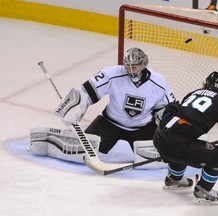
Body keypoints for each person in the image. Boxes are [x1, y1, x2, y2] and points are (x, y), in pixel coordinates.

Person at [30, 47, 175, 167]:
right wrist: (74, 107)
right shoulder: (111, 74)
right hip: (110, 124)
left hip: (143, 128)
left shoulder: (159, 82)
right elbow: (86, 92)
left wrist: (165, 124)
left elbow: (167, 109)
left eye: (134, 66)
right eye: (128, 66)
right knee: (83, 150)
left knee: (159, 158)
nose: (130, 70)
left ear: (143, 65)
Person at [153, 71, 218, 205]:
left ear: (205, 84)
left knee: (184, 140)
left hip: (159, 139)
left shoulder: (193, 93)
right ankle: (203, 190)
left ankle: (174, 179)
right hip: (178, 146)